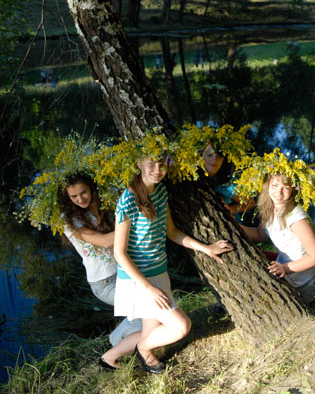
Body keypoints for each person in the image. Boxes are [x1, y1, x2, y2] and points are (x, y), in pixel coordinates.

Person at [99, 156, 233, 373]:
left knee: (149, 333)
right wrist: (148, 288)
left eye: (162, 165)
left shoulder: (161, 193)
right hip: (138, 281)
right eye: (151, 164)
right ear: (139, 163)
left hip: (159, 272)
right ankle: (143, 350)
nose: (157, 170)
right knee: (181, 326)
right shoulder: (127, 201)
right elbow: (119, 253)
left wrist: (206, 248)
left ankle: (108, 358)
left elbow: (172, 232)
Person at [61, 172, 141, 346]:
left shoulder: (102, 203)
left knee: (145, 310)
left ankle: (116, 340)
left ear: (91, 189)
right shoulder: (69, 221)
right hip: (105, 282)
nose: (80, 199)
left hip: (125, 269)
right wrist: (137, 223)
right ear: (67, 198)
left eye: (83, 193)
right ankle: (115, 347)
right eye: (73, 196)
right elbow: (104, 242)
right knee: (143, 310)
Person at [241, 173, 315, 302]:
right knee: (247, 256)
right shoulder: (272, 208)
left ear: (293, 189)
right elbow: (259, 235)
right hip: (283, 264)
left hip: (300, 281)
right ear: (267, 186)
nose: (278, 192)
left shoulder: (296, 218)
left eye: (285, 187)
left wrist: (284, 268)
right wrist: (229, 221)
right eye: (274, 185)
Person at [202, 143, 255, 222]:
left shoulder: (227, 185)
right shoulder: (188, 176)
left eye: (220, 156)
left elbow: (250, 203)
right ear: (201, 154)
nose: (214, 160)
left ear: (224, 160)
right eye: (209, 154)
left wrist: (231, 209)